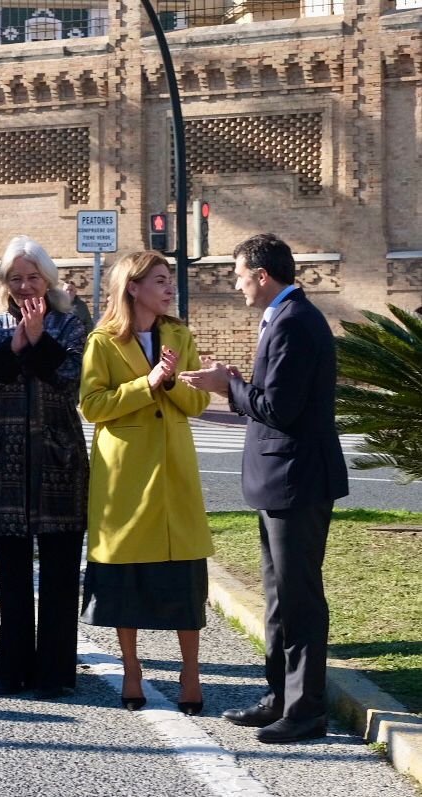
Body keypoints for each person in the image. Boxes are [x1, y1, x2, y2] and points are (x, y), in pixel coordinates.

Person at [180, 233, 348, 743]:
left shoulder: (295, 321)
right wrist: (235, 382)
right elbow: (273, 396)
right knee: (279, 599)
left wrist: (224, 386)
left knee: (299, 600)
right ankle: (280, 696)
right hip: (282, 481)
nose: (236, 285)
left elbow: (279, 408)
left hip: (297, 481)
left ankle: (306, 710)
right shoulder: (283, 317)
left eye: (237, 275)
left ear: (261, 274)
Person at [78, 250, 212, 715]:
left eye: (169, 279)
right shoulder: (101, 340)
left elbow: (196, 403)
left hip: (174, 469)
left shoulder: (179, 333)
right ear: (132, 287)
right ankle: (131, 669)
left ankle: (190, 673)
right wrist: (146, 383)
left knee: (185, 575)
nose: (169, 287)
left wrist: (172, 382)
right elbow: (92, 405)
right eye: (159, 279)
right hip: (125, 475)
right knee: (126, 577)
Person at [0, 236, 88, 696]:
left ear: (48, 279)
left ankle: (56, 672)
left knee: (59, 571)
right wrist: (14, 346)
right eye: (14, 278)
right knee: (12, 572)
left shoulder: (70, 325)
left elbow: (71, 378)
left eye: (31, 277)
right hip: (6, 458)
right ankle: (12, 667)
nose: (23, 285)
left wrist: (37, 342)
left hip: (59, 456)